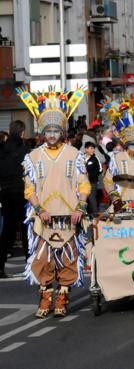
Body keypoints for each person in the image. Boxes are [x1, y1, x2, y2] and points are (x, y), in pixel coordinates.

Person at [16, 87, 90, 318]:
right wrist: (38, 208)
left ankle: (63, 297)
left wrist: (81, 206)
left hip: (69, 216)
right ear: (42, 132)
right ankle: (45, 296)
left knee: (68, 258)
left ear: (62, 131)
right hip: (44, 216)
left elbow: (83, 183)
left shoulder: (74, 154)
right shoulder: (33, 157)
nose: (51, 135)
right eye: (47, 130)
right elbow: (29, 188)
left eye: (55, 130)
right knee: (42, 259)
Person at [102, 96, 134, 212]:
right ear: (126, 144)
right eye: (132, 145)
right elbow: (108, 180)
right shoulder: (117, 158)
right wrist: (115, 198)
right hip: (122, 204)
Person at [0, 120, 28, 277]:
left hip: (5, 192)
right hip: (22, 192)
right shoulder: (24, 150)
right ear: (22, 132)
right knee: (26, 230)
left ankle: (0, 267)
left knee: (7, 233)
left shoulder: (2, 149)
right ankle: (30, 264)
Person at [84, 142, 102, 216]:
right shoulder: (81, 157)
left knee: (92, 200)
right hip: (82, 183)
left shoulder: (95, 158)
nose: (93, 150)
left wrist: (90, 175)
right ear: (86, 149)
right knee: (84, 200)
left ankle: (95, 216)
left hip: (92, 183)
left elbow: (100, 169)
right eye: (91, 148)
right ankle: (86, 216)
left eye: (93, 148)